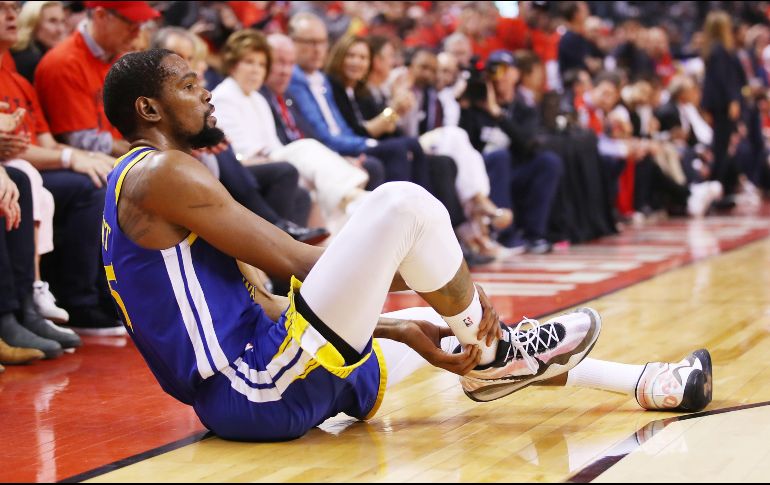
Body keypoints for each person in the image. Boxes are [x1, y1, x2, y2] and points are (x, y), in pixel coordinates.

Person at [101, 49, 713, 441]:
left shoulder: (149, 181)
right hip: (253, 385)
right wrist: (426, 273)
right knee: (403, 204)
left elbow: (269, 299)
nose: (206, 91)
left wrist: (403, 320)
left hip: (262, 372)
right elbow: (295, 264)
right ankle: (491, 346)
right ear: (149, 106)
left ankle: (646, 381)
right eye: (189, 84)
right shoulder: (162, 175)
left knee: (436, 324)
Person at [10, 0, 67, 83]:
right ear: (32, 24)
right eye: (52, 21)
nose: (60, 29)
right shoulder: (31, 62)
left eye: (62, 21)